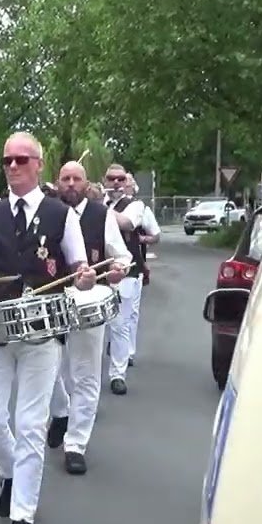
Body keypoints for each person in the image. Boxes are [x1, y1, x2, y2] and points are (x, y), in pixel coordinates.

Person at [0, 132, 110, 524]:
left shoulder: (63, 215)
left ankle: (23, 515)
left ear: (38, 164)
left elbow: (81, 266)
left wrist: (84, 277)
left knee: (29, 426)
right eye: (6, 159)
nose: (12, 166)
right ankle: (8, 473)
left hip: (41, 334)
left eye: (21, 159)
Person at [46, 162, 131, 474]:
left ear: (85, 183)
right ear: (57, 182)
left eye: (76, 178)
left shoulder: (101, 215)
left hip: (89, 302)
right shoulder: (47, 211)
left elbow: (120, 254)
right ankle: (61, 410)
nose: (70, 183)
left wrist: (120, 269)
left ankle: (76, 444)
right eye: (65, 178)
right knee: (48, 368)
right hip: (52, 300)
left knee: (86, 374)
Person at [101, 164, 151, 394]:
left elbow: (127, 223)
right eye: (111, 179)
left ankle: (117, 374)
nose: (116, 183)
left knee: (120, 324)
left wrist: (95, 206)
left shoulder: (135, 205)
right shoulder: (98, 203)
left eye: (121, 179)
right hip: (98, 272)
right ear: (105, 180)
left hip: (126, 272)